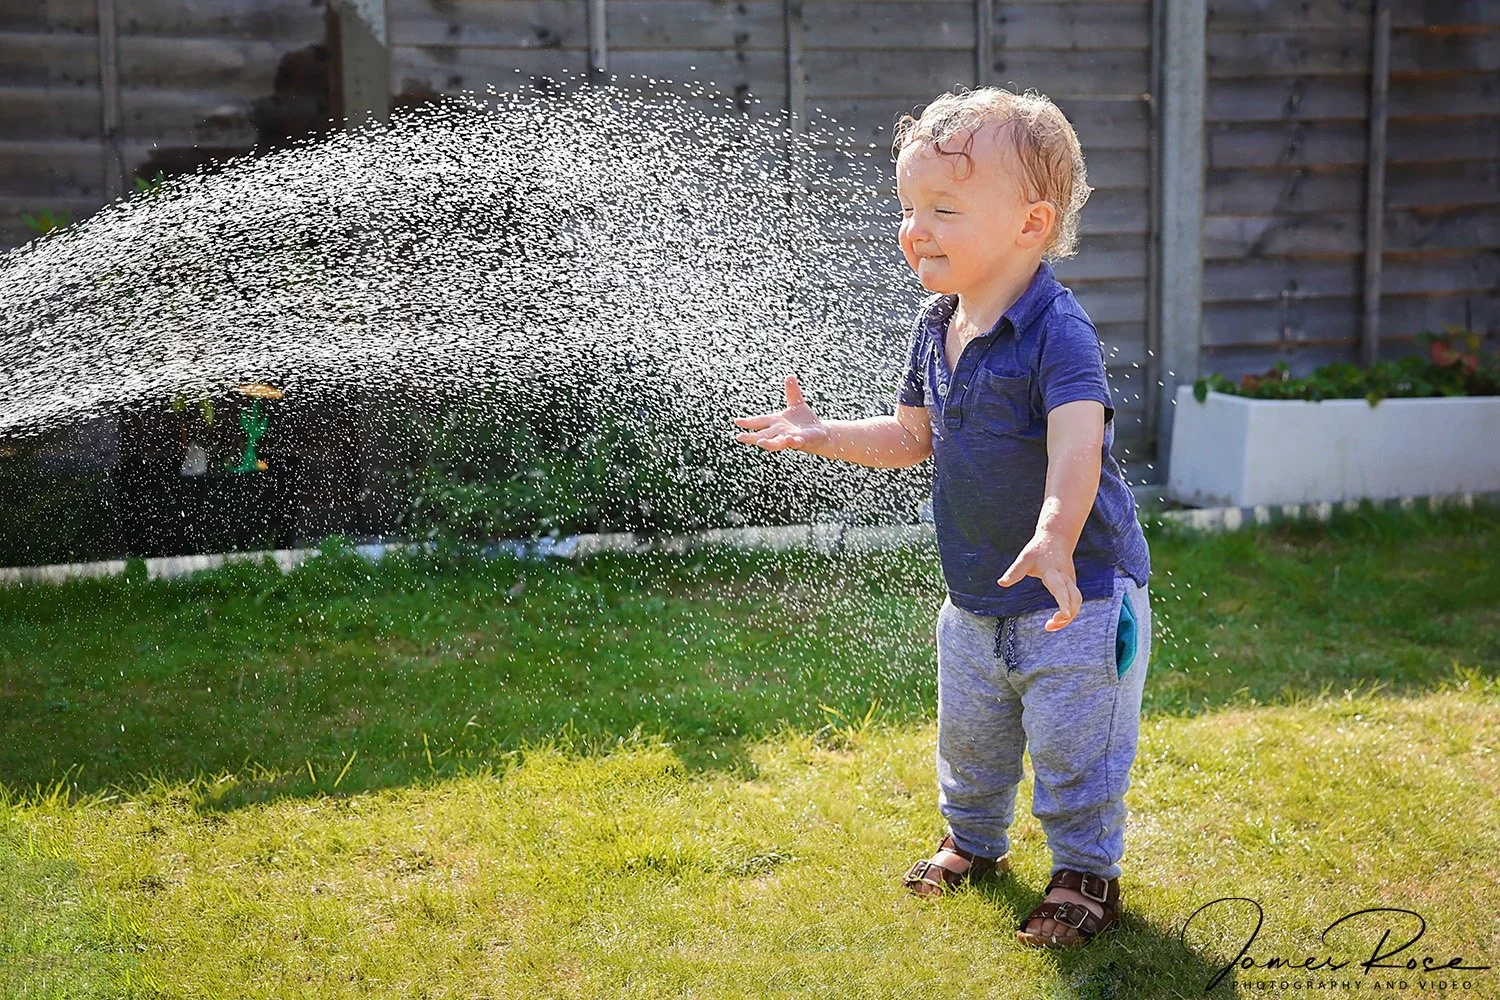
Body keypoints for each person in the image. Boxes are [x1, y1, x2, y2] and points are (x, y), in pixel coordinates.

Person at [729, 86, 1153, 948]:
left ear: (1030, 225)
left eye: (943, 209)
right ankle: (975, 841)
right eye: (908, 206)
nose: (914, 228)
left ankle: (1083, 873)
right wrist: (823, 434)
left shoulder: (1055, 333)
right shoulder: (935, 325)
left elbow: (1079, 443)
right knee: (973, 739)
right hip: (974, 596)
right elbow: (912, 437)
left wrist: (1054, 533)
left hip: (1079, 594)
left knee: (1077, 749)